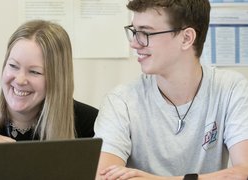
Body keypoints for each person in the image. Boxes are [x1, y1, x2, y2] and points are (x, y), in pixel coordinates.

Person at [94, 0, 248, 179]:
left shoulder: (231, 89)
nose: (135, 44)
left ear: (186, 38)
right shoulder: (120, 101)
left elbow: (244, 172)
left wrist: (154, 179)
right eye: (134, 32)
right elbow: (104, 177)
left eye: (145, 33)